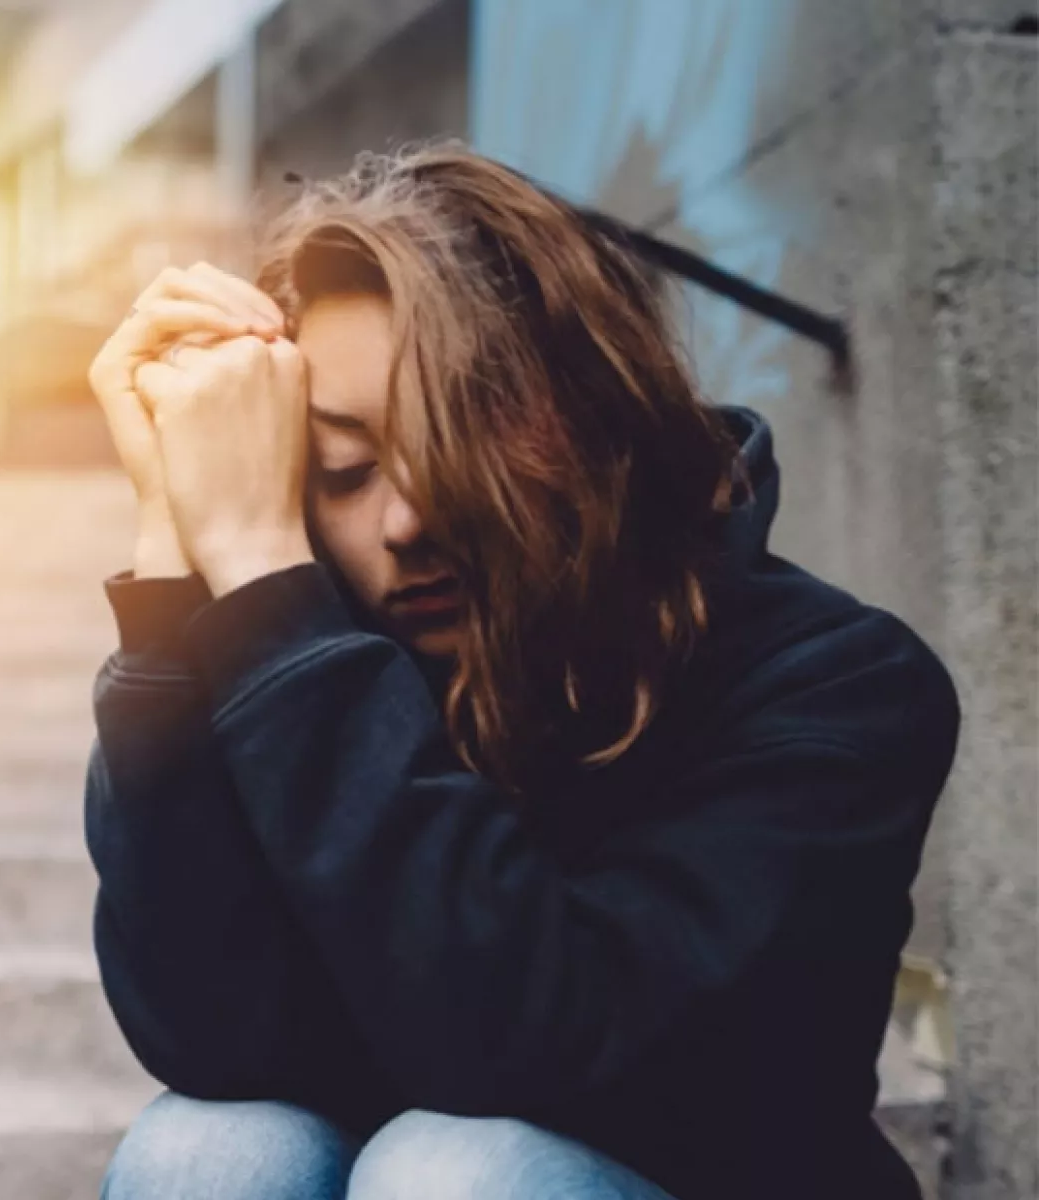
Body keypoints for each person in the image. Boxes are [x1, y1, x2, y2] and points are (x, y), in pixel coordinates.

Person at [81, 143, 961, 1200]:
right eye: (340, 471)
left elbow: (533, 1040)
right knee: (210, 1152)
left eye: (461, 450)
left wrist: (278, 612)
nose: (405, 522)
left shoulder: (835, 685)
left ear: (606, 420)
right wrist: (175, 551)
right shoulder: (303, 652)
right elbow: (211, 1041)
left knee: (457, 1172)